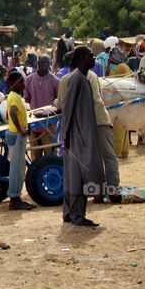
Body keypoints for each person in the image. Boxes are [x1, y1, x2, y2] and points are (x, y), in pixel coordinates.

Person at [58, 49, 121, 204]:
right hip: (100, 119)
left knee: (90, 161)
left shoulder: (66, 79)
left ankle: (97, 194)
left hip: (82, 125)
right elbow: (96, 97)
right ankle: (112, 191)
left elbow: (61, 103)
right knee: (109, 157)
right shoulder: (91, 76)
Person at [59, 46, 105, 227]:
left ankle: (71, 213)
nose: (93, 58)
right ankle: (77, 215)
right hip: (79, 136)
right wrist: (67, 135)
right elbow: (68, 109)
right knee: (79, 177)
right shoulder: (76, 79)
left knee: (77, 176)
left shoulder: (83, 78)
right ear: (81, 58)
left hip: (83, 134)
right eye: (90, 56)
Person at [4, 71, 34, 210]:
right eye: (21, 82)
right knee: (17, 169)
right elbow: (12, 113)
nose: (23, 85)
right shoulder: (15, 97)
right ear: (12, 84)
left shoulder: (13, 96)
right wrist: (21, 130)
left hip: (15, 133)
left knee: (19, 167)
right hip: (17, 135)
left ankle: (16, 197)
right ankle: (14, 199)